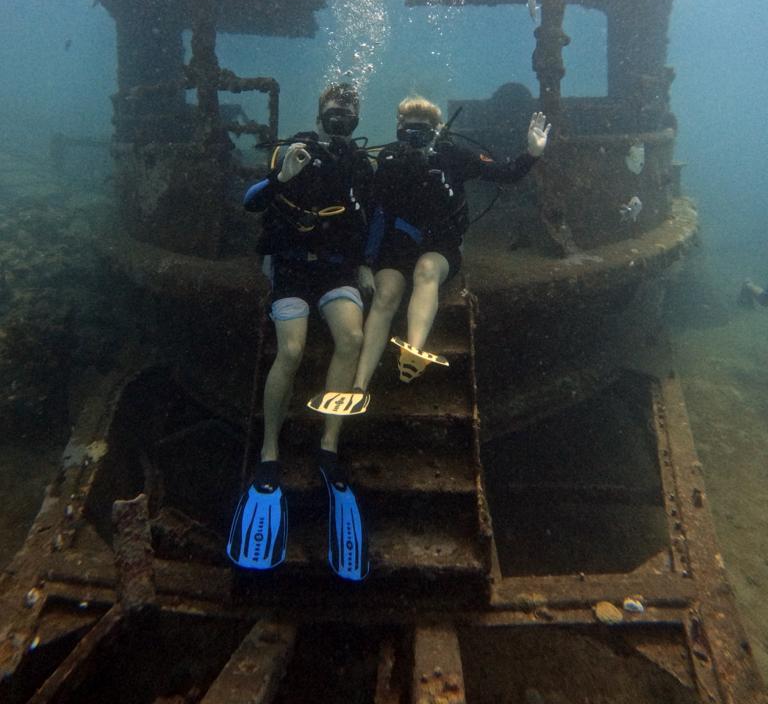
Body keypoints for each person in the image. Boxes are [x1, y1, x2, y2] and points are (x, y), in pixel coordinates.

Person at [226, 82, 373, 580]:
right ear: (320, 113)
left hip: (336, 271)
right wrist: (282, 178)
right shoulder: (293, 149)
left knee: (350, 338)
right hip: (290, 268)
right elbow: (250, 203)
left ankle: (328, 446)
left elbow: (370, 218)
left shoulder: (359, 163)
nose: (340, 119)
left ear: (355, 120)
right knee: (290, 351)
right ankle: (270, 450)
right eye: (334, 111)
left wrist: (369, 264)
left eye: (348, 114)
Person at [352, 96, 550, 399]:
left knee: (427, 270)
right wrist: (366, 262)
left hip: (440, 246)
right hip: (398, 245)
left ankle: (414, 349)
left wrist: (532, 153)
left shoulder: (453, 155)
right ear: (398, 129)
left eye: (423, 131)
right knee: (386, 294)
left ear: (437, 130)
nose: (414, 139)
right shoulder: (388, 160)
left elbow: (505, 173)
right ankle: (359, 385)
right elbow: (377, 211)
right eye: (408, 132)